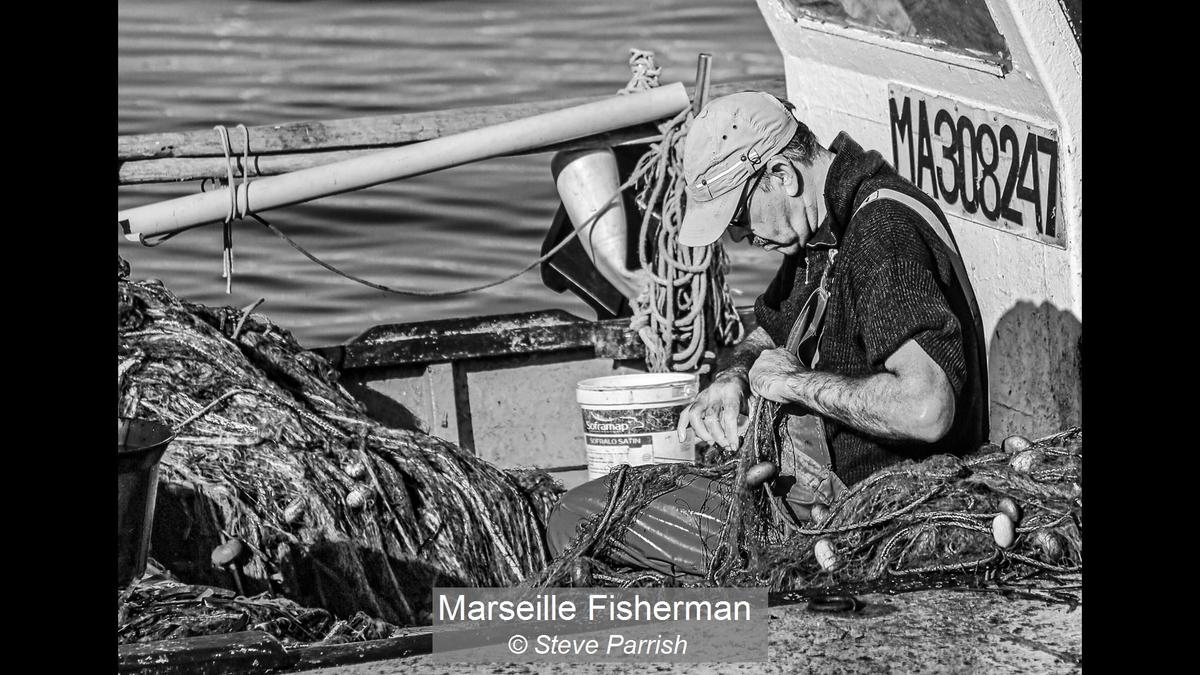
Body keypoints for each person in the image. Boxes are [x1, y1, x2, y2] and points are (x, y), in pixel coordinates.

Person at [546, 91, 988, 580]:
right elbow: (767, 331)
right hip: (810, 495)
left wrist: (795, 383)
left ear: (782, 175)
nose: (743, 238)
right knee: (594, 509)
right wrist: (731, 378)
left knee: (579, 519)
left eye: (738, 217)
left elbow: (927, 408)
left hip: (864, 517)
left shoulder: (881, 234)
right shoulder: (826, 229)